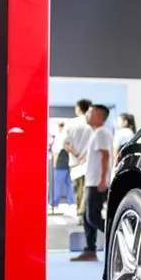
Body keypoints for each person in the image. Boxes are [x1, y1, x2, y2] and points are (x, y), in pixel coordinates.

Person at [73, 104, 114, 263]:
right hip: (92, 180)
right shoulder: (97, 133)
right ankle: (90, 249)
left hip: (97, 182)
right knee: (87, 216)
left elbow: (105, 156)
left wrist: (103, 179)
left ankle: (116, 235)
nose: (87, 115)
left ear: (98, 115)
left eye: (90, 112)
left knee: (92, 216)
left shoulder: (102, 133)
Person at [63, 99, 94, 218]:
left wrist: (76, 154)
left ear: (79, 108)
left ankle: (79, 212)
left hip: (75, 161)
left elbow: (65, 144)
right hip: (89, 161)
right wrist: (85, 156)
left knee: (77, 188)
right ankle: (83, 212)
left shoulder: (71, 123)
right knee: (87, 188)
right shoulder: (92, 124)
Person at [50, 121, 73, 213]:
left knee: (59, 185)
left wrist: (55, 163)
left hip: (62, 162)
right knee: (69, 184)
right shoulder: (65, 136)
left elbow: (56, 152)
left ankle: (54, 203)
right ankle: (70, 203)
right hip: (66, 162)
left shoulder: (61, 137)